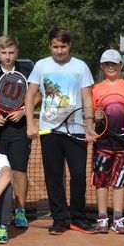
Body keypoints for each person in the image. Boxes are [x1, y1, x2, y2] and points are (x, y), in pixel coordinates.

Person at [25, 27, 96, 235]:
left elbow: (87, 98)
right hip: (50, 131)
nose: (59, 51)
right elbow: (30, 96)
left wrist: (89, 125)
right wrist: (31, 123)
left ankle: (78, 218)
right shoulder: (41, 66)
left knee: (78, 175)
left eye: (63, 46)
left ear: (69, 45)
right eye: (55, 47)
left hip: (76, 130)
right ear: (50, 46)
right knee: (53, 176)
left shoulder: (80, 67)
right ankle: (59, 218)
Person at [91, 49, 124, 234]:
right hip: (102, 144)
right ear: (102, 67)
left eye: (114, 64)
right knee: (101, 181)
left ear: (121, 65)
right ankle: (102, 217)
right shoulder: (95, 89)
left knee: (119, 181)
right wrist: (95, 118)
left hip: (123, 145)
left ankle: (118, 219)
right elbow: (94, 119)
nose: (110, 67)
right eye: (107, 64)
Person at [0, 35, 33, 228]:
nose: (7, 56)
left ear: (17, 53)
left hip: (19, 130)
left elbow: (36, 95)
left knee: (19, 170)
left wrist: (23, 111)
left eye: (11, 52)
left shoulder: (28, 72)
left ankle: (20, 211)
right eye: (3, 52)